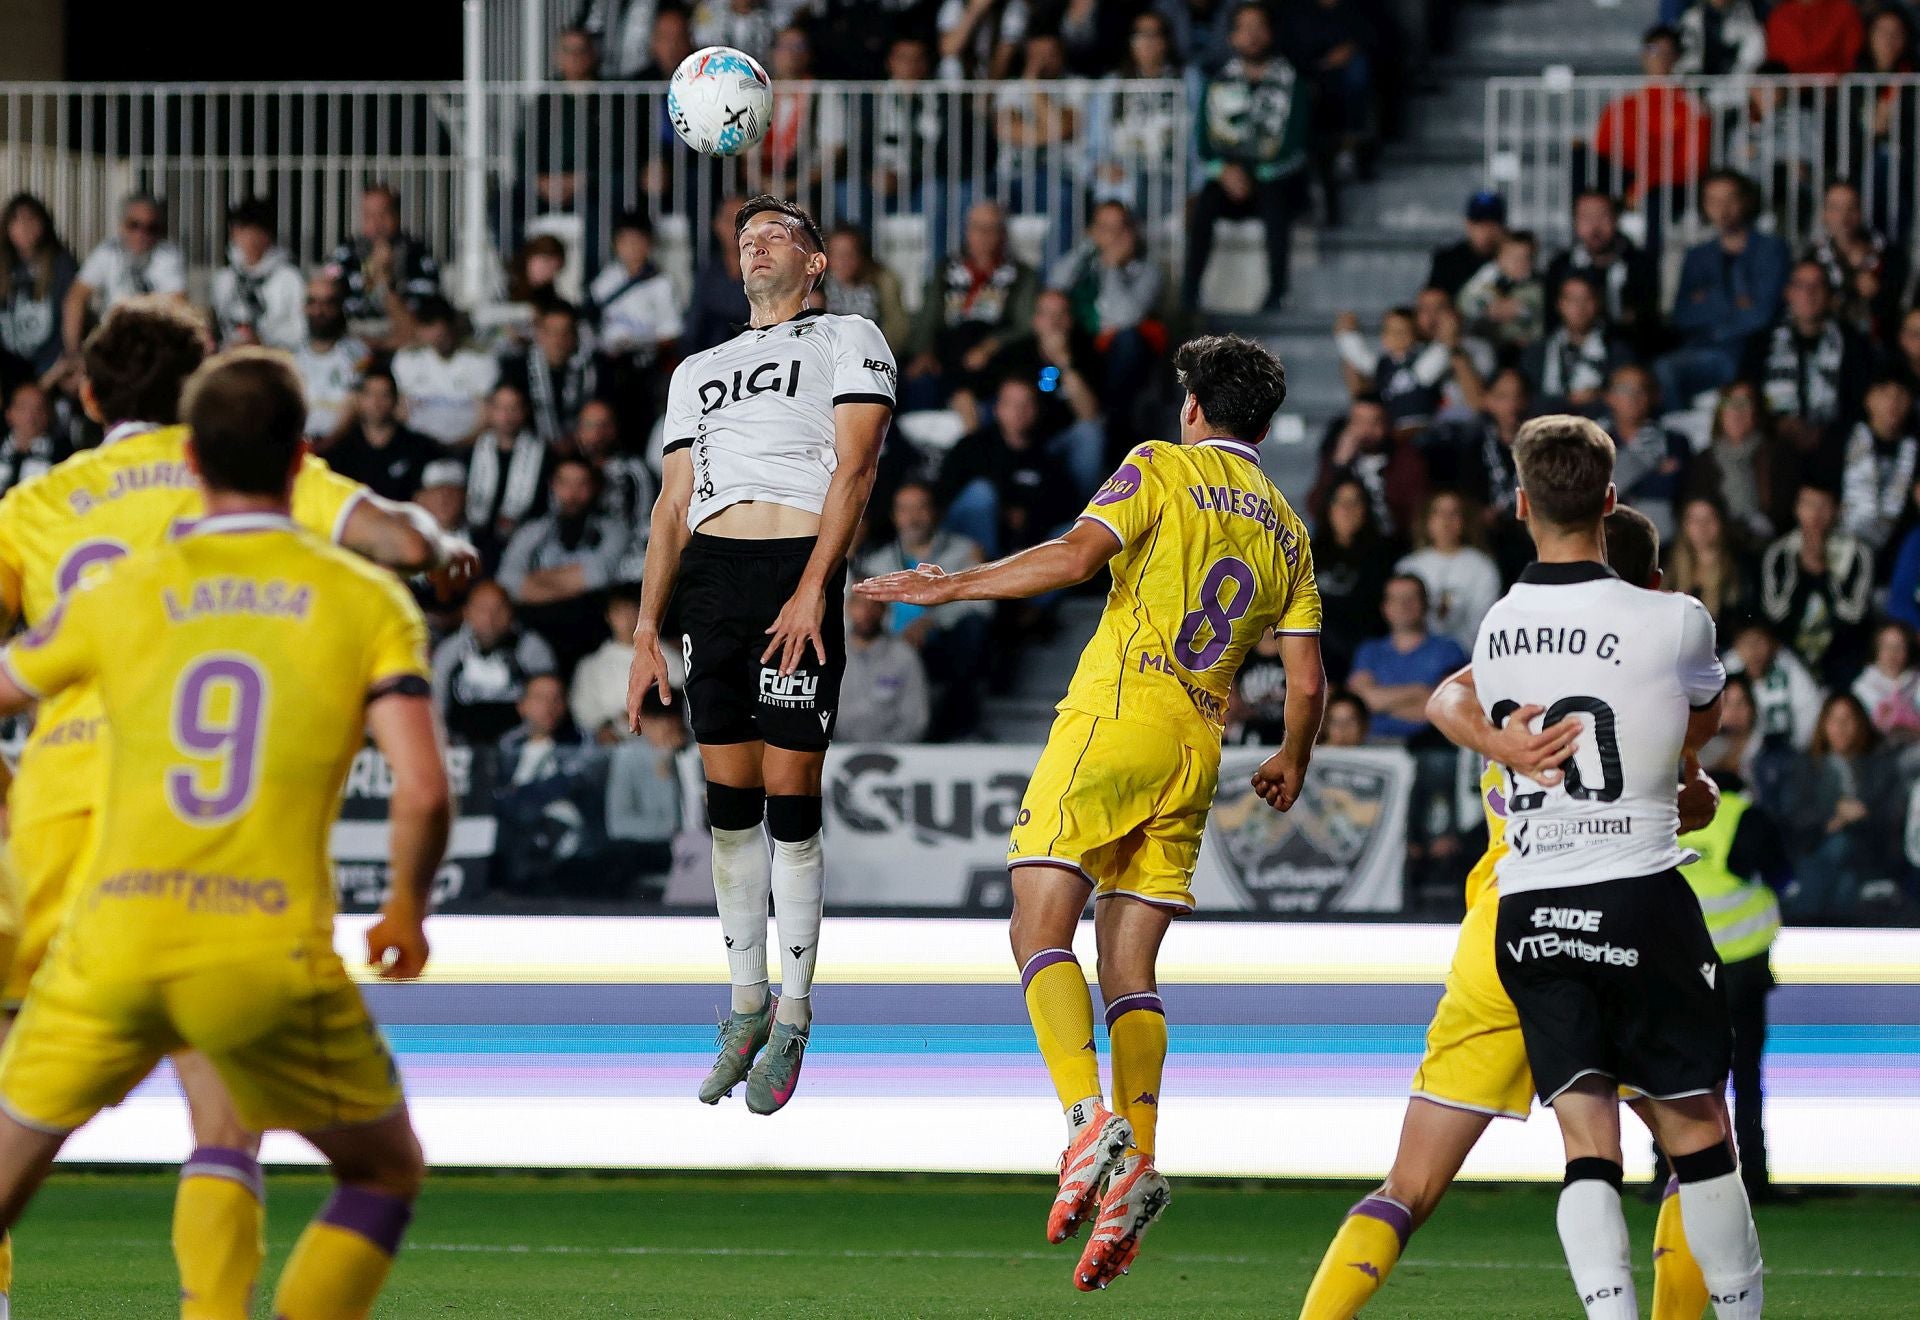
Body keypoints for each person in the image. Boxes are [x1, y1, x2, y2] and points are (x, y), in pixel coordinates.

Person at [857, 333, 1325, 1292]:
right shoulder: (1287, 526)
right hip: (1200, 745)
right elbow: (1307, 681)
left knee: (1036, 928)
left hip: (1117, 717)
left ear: (1193, 407)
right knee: (1130, 969)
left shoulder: (1159, 466)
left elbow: (1076, 557)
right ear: (1266, 426)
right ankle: (1135, 1168)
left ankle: (1086, 1124)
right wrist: (1292, 757)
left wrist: (954, 585)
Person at [0, 348, 448, 1320]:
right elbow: (420, 789)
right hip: (262, 951)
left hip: (109, 941)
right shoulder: (364, 599)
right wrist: (406, 907)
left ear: (190, 460)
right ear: (300, 459)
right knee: (380, 1170)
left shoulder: (122, 590)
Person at [1299, 503, 1724, 1320]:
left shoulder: (1517, 640)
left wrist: (1500, 745)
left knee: (1409, 1185)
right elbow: (1683, 785)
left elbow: (1444, 699)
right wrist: (1690, 790)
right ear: (1656, 584)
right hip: (1616, 921)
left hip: (1504, 928)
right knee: (1696, 1157)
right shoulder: (1661, 659)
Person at [1473, 415, 1762, 1319]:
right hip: (1636, 891)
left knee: (1586, 1143)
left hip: (1529, 907)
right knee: (1699, 1134)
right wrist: (1681, 775)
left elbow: (1472, 715)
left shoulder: (1495, 630)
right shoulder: (1676, 618)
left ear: (1522, 505)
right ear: (1609, 502)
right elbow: (1702, 722)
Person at [626, 195, 895, 1115]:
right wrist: (643, 632)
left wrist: (815, 584)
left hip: (792, 564)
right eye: (747, 236)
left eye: (778, 233)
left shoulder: (848, 338)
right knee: (728, 807)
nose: (757, 243)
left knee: (791, 802)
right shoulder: (697, 368)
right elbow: (670, 506)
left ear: (816, 263)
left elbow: (854, 469)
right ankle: (744, 1005)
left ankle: (795, 1011)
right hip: (711, 577)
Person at [1677, 776, 1786, 1201]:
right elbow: (1783, 875)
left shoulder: (1663, 811)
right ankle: (1754, 1179)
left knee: (1678, 1075)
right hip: (1741, 965)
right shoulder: (1744, 815)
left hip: (1679, 966)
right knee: (1745, 1075)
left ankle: (1671, 1177)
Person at [1182, 2, 1311, 312]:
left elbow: (1298, 147)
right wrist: (1225, 171)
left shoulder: (1292, 83)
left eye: (1258, 27)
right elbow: (1203, 144)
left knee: (1276, 204)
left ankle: (1276, 292)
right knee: (1203, 206)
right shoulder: (1218, 82)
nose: (1251, 36)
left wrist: (1255, 176)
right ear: (1232, 38)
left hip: (1275, 179)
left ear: (1270, 34)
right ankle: (1189, 293)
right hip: (1228, 179)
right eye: (1244, 28)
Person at [853, 480, 990, 740]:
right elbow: (857, 609)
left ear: (936, 512)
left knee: (973, 630)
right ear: (894, 517)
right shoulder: (876, 562)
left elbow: (983, 605)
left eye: (921, 508)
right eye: (904, 510)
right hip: (887, 648)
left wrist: (933, 622)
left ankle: (957, 729)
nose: (913, 518)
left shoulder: (964, 552)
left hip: (940, 645)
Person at [1657, 171, 1790, 411]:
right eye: (1713, 201)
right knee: (1660, 371)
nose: (1722, 209)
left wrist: (1709, 300)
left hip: (1753, 351)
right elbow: (1682, 315)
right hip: (1702, 349)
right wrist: (1735, 302)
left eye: (1730, 199)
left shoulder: (1772, 249)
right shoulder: (1697, 256)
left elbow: (1763, 314)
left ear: (1746, 201)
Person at [497, 456, 633, 673]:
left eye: (581, 484)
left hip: (592, 632)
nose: (572, 493)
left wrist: (535, 581)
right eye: (565, 483)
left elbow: (599, 575)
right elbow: (508, 583)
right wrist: (573, 582)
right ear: (553, 486)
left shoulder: (614, 529)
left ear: (594, 488)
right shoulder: (532, 531)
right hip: (539, 634)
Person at [901, 201, 1039, 408]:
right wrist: (923, 351)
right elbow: (928, 317)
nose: (983, 236)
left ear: (1003, 234)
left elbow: (1025, 325)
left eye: (991, 229)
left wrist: (990, 346)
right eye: (977, 227)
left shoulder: (1021, 274)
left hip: (995, 358)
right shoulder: (946, 269)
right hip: (948, 354)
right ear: (967, 231)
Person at [1783, 693, 1900, 917]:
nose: (1841, 727)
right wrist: (1833, 817)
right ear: (1823, 725)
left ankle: (1804, 923)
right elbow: (1794, 816)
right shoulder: (1807, 766)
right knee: (1842, 876)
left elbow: (1892, 817)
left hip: (1868, 852)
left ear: (1860, 724)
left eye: (1848, 720)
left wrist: (1861, 816)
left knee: (1843, 853)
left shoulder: (1879, 765)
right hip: (1816, 848)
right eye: (1834, 720)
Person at [1740, 259, 1872, 451]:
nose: (1809, 294)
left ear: (1829, 295)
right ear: (1788, 293)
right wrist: (1776, 425)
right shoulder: (1761, 342)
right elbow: (1746, 395)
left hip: (1835, 446)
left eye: (1817, 286)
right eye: (1800, 286)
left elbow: (1860, 403)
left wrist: (1823, 432)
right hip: (1772, 443)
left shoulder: (1852, 343)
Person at [1592, 26, 1710, 226]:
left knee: (1658, 198)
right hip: (1629, 179)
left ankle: (1651, 256)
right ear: (1644, 56)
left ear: (1677, 57)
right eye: (1654, 50)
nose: (1660, 58)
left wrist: (1642, 186)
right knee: (1580, 159)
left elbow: (1691, 163)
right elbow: (1603, 150)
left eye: (1667, 52)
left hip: (1669, 183)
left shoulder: (1692, 107)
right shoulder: (1623, 105)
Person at [1760, 483, 1873, 685]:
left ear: (1837, 510)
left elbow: (1854, 616)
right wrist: (1801, 576)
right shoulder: (1778, 553)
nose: (1815, 514)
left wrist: (1823, 575)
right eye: (1808, 504)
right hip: (1789, 658)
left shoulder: (1857, 553)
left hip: (1841, 659)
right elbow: (1775, 615)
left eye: (1823, 505)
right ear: (1796, 508)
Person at [61, 194, 185, 366]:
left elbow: (177, 304)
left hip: (152, 343)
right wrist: (73, 352)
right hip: (112, 340)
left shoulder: (167, 255)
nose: (142, 234)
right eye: (134, 225)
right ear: (122, 226)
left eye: (151, 227)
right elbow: (76, 297)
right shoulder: (108, 252)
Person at [432, 579, 560, 746]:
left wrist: (518, 742)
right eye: (482, 609)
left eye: (498, 609)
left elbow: (548, 703)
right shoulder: (449, 651)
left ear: (511, 612)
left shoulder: (532, 649)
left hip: (520, 746)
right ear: (467, 613)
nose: (490, 618)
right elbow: (435, 705)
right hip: (459, 747)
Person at [1542, 190, 1660, 357]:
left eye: (1602, 216)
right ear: (1575, 223)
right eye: (1586, 218)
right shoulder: (1560, 266)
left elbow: (1648, 322)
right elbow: (1550, 322)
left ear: (1616, 219)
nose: (1595, 227)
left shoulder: (1640, 264)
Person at [322, 183, 443, 339]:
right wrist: (370, 273)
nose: (376, 223)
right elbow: (328, 289)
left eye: (383, 214)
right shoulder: (345, 254)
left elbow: (425, 317)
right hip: (352, 337)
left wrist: (386, 280)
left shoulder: (418, 256)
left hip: (403, 339)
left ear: (397, 215)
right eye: (369, 216)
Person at [1309, 475, 1395, 683]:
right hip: (1317, 655)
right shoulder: (1309, 554)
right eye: (1340, 502)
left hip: (1370, 658)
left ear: (1366, 509)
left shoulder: (1384, 556)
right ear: (1329, 508)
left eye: (1355, 502)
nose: (1347, 509)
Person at [1396, 491, 1502, 655]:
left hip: (1466, 655)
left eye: (1454, 513)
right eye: (1438, 513)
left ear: (1464, 521)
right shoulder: (1408, 566)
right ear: (1427, 521)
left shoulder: (1482, 566)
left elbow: (1483, 622)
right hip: (1415, 656)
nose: (1446, 520)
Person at [1309, 395, 1428, 540]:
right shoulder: (1337, 458)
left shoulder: (1406, 459)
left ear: (1387, 425)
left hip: (1395, 541)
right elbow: (1316, 508)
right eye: (1359, 422)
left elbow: (1417, 511)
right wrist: (1338, 464)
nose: (1366, 430)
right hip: (1349, 543)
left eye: (1375, 422)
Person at [1805, 179, 1906, 344]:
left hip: (1878, 347)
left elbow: (1896, 308)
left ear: (1860, 212)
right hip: (1828, 347)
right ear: (1824, 214)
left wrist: (1877, 294)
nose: (1843, 217)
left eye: (1851, 208)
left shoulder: (1888, 254)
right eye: (1835, 208)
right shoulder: (1812, 258)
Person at [1520, 273, 1632, 418]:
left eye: (1587, 299)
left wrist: (1599, 395)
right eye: (1572, 300)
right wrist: (1568, 401)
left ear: (1598, 303)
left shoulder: (1618, 352)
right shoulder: (1537, 352)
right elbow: (1526, 400)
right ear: (1559, 304)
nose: (1580, 308)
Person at [391, 296, 498, 447]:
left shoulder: (479, 360)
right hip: (418, 448)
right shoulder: (407, 360)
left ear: (452, 326)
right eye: (429, 326)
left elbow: (485, 418)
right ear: (420, 329)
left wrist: (459, 446)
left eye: (442, 332)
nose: (437, 336)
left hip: (468, 446)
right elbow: (401, 412)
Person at [1600, 363, 1691, 541]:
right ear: (1609, 397)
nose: (1633, 397)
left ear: (1654, 396)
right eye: (1624, 389)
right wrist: (1653, 474)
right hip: (1605, 542)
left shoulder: (1675, 442)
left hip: (1660, 543)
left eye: (1641, 389)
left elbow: (1670, 489)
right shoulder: (1594, 443)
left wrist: (1617, 482)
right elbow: (1591, 495)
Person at [464, 383, 552, 563]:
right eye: (500, 408)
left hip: (525, 543)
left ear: (525, 411)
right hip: (475, 539)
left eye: (514, 408)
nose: (507, 415)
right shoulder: (472, 452)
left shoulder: (544, 455)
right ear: (490, 410)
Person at [325, 369, 442, 504]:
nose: (376, 403)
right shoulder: (341, 450)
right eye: (370, 395)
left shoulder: (419, 447)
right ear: (359, 399)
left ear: (395, 399)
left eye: (384, 395)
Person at [572, 586, 671, 744]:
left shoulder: (666, 655)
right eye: (620, 611)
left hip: (662, 743)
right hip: (614, 747)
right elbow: (584, 714)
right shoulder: (591, 666)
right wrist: (606, 727)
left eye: (632, 610)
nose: (627, 617)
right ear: (608, 617)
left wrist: (648, 718)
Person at [500, 300, 605, 446]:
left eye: (565, 332)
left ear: (575, 336)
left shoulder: (594, 372)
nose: (558, 340)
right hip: (530, 449)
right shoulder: (517, 369)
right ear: (539, 334)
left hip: (582, 450)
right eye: (551, 332)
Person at [0, 194, 78, 388]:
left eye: (31, 219)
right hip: (8, 363)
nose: (25, 227)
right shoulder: (3, 263)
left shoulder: (62, 264)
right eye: (17, 220)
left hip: (52, 365)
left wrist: (69, 356)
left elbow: (71, 310)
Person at [589, 209, 683, 371]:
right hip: (607, 361)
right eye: (625, 241)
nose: (632, 247)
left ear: (650, 244)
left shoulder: (662, 284)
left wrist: (638, 347)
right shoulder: (605, 279)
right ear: (615, 244)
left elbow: (670, 334)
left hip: (645, 364)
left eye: (637, 241)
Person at [209, 196, 305, 351]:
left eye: (249, 230)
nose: (244, 238)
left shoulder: (289, 278)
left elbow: (300, 330)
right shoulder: (225, 278)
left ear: (266, 234)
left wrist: (262, 340)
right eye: (237, 231)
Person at [1839, 377, 1919, 558]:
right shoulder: (1841, 440)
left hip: (1897, 557)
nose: (1892, 403)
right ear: (1868, 397)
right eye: (1884, 392)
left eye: (1900, 395)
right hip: (1842, 549)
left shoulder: (1915, 449)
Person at [290, 274, 371, 443]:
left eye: (328, 303)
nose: (319, 311)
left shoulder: (358, 355)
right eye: (313, 302)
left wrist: (325, 446)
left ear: (340, 307)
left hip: (342, 448)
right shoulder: (291, 357)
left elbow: (355, 408)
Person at [839, 593, 930, 743]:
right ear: (848, 607)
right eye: (859, 604)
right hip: (834, 753)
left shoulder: (904, 656)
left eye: (874, 604)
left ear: (885, 609)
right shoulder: (829, 654)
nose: (866, 612)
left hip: (895, 754)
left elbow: (916, 719)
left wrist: (885, 749)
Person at [1724, 618, 1824, 751]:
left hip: (1783, 754)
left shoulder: (1788, 666)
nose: (1754, 652)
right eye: (1747, 643)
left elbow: (1810, 709)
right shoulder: (1725, 669)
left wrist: (1796, 749)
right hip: (1732, 754)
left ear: (1773, 644)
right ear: (1736, 646)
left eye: (1760, 642)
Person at [1666, 496, 1755, 636]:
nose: (1702, 526)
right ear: (1684, 525)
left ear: (1721, 523)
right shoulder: (1670, 566)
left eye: (1709, 518)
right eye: (1694, 519)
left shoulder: (1740, 567)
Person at [821, 225, 910, 354]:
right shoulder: (816, 286)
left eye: (850, 254)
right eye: (837, 254)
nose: (843, 261)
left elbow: (896, 328)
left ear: (862, 256)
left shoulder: (881, 282)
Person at [1456, 230, 1545, 352]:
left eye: (1525, 258)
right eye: (1512, 257)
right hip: (1487, 342)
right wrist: (1486, 308)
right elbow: (1465, 300)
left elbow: (1527, 309)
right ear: (1498, 258)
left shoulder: (1536, 286)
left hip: (1523, 346)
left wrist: (1514, 309)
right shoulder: (1487, 277)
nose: (1519, 263)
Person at [1427, 190, 1507, 301]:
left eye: (1492, 224)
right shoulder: (1448, 261)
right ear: (1468, 225)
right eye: (1479, 224)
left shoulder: (1513, 260)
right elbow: (1432, 299)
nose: (1487, 231)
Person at [1853, 620, 1920, 741]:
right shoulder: (1861, 689)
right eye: (1886, 646)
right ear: (1876, 649)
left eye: (1899, 647)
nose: (1892, 654)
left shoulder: (1917, 682)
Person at [0, 382, 67, 499]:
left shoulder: (61, 453)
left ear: (48, 415)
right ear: (9, 413)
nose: (31, 415)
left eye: (38, 409)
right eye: (23, 408)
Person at [1765, 0, 1863, 75]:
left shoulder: (1844, 11)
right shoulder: (1779, 16)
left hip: (1837, 94)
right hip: (1789, 94)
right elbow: (1775, 63)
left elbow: (1851, 59)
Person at [1676, 0, 1766, 77]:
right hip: (1696, 86)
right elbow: (1687, 60)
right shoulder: (1692, 18)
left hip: (1734, 88)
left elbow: (1751, 60)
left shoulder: (1747, 20)